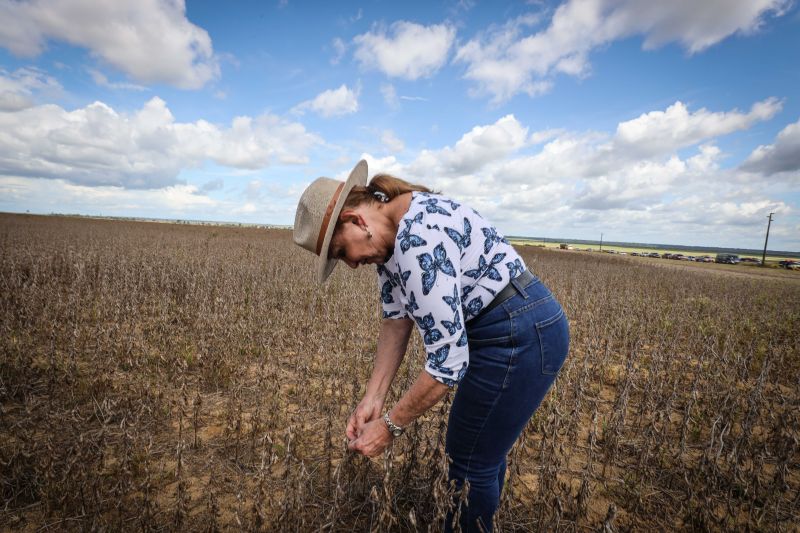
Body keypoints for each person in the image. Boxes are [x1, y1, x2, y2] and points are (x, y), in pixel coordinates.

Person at [293, 160, 569, 532]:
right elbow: (395, 320)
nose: (352, 265)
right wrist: (373, 398)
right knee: (480, 455)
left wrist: (389, 427)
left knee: (470, 463)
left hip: (519, 334)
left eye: (342, 253)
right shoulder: (393, 239)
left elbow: (447, 365)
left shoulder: (416, 243)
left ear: (357, 220)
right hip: (506, 328)